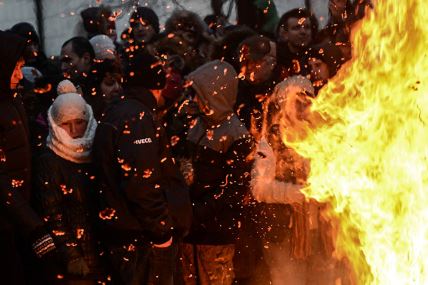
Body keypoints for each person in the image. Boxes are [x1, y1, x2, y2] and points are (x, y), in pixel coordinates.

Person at [92, 52, 192, 285]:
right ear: (157, 84)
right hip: (142, 240)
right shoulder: (136, 118)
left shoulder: (123, 111)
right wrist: (162, 233)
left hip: (132, 234)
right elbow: (141, 183)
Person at [251, 76, 337, 285]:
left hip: (322, 235)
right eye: (294, 101)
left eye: (305, 101)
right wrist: (301, 193)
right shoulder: (270, 140)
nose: (300, 108)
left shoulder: (323, 136)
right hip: (285, 235)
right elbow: (259, 188)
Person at [181, 60, 255, 285]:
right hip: (191, 233)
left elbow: (232, 189)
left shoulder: (236, 136)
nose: (193, 100)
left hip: (216, 235)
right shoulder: (198, 126)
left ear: (214, 94)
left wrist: (197, 212)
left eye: (198, 94)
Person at [32, 80, 108, 284]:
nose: (74, 130)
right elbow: (51, 212)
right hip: (75, 260)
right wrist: (71, 255)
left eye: (79, 122)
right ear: (55, 124)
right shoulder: (49, 161)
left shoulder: (100, 149)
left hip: (105, 251)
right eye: (65, 124)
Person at [0, 30, 56, 285]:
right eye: (15, 68)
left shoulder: (13, 99)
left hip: (19, 219)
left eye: (21, 68)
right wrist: (32, 225)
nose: (20, 75)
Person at [276, 8, 318, 78]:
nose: (303, 32)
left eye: (307, 27)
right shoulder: (277, 59)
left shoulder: (318, 55)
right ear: (285, 34)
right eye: (296, 28)